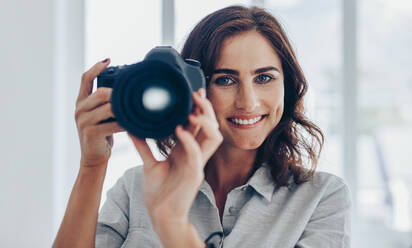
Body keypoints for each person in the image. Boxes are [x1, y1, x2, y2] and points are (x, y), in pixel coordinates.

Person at [53, 5, 351, 248]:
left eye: (264, 78)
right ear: (192, 90)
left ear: (288, 85)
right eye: (225, 80)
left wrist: (171, 222)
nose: (248, 102)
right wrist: (92, 167)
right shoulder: (135, 189)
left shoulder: (322, 198)